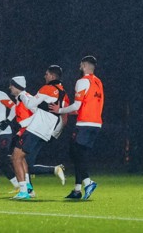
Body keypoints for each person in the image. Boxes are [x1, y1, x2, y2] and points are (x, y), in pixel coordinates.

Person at [9, 66, 68, 200]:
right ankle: (28, 189)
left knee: (16, 157)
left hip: (37, 127)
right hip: (47, 128)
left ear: (52, 76)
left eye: (46, 74)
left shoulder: (46, 88)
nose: (45, 76)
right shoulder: (62, 91)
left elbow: (30, 105)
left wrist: (23, 96)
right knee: (22, 158)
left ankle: (24, 191)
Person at [51, 55, 104, 200]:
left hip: (84, 124)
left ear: (85, 66)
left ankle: (88, 182)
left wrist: (60, 110)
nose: (79, 68)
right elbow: (87, 105)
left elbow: (77, 105)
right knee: (79, 155)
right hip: (96, 124)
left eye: (81, 65)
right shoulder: (98, 82)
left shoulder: (82, 81)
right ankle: (76, 190)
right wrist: (74, 110)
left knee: (75, 154)